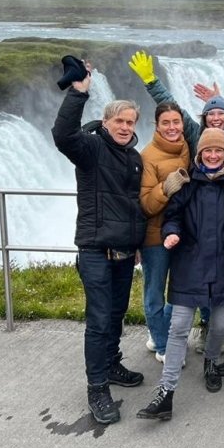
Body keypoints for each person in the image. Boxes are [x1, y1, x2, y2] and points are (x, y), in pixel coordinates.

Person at [128, 51, 224, 349]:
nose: (216, 118)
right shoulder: (195, 134)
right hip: (186, 222)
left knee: (207, 285)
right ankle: (167, 338)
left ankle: (205, 334)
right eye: (211, 114)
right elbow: (174, 114)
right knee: (183, 286)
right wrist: (151, 82)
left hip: (221, 221)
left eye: (221, 114)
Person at [136, 128, 224, 421]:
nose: (212, 155)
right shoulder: (186, 183)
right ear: (200, 154)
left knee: (220, 325)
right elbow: (173, 217)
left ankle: (210, 361)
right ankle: (166, 392)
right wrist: (170, 233)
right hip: (190, 264)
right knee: (179, 327)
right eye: (208, 151)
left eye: (218, 151)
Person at [51, 65, 146, 426]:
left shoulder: (134, 159)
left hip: (124, 253)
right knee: (99, 320)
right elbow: (62, 136)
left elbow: (133, 204)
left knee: (116, 315)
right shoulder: (90, 148)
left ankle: (111, 363)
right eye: (119, 121)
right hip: (95, 251)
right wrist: (78, 92)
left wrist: (137, 243)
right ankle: (97, 388)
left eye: (130, 123)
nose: (125, 127)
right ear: (106, 122)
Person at [138, 102, 190, 363]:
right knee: (154, 292)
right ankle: (162, 345)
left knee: (183, 290)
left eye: (176, 122)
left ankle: (158, 330)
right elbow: (146, 205)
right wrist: (166, 188)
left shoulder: (187, 147)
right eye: (165, 123)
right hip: (154, 236)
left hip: (180, 233)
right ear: (156, 125)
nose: (172, 127)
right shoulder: (148, 156)